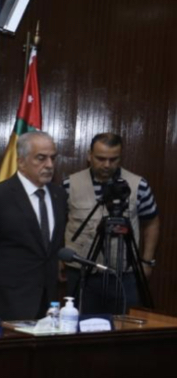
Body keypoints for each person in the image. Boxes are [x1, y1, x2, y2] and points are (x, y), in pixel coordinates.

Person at [0, 131, 66, 321]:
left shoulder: (58, 195)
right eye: (41, 158)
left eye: (53, 158)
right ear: (21, 162)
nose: (49, 165)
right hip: (5, 302)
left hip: (47, 304)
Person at [63, 132, 160, 313]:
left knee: (125, 325)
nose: (107, 165)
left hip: (124, 275)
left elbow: (152, 222)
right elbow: (59, 223)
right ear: (89, 156)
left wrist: (147, 261)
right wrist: (59, 260)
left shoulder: (138, 185)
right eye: (100, 158)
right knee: (79, 324)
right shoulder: (70, 184)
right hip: (81, 273)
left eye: (113, 159)